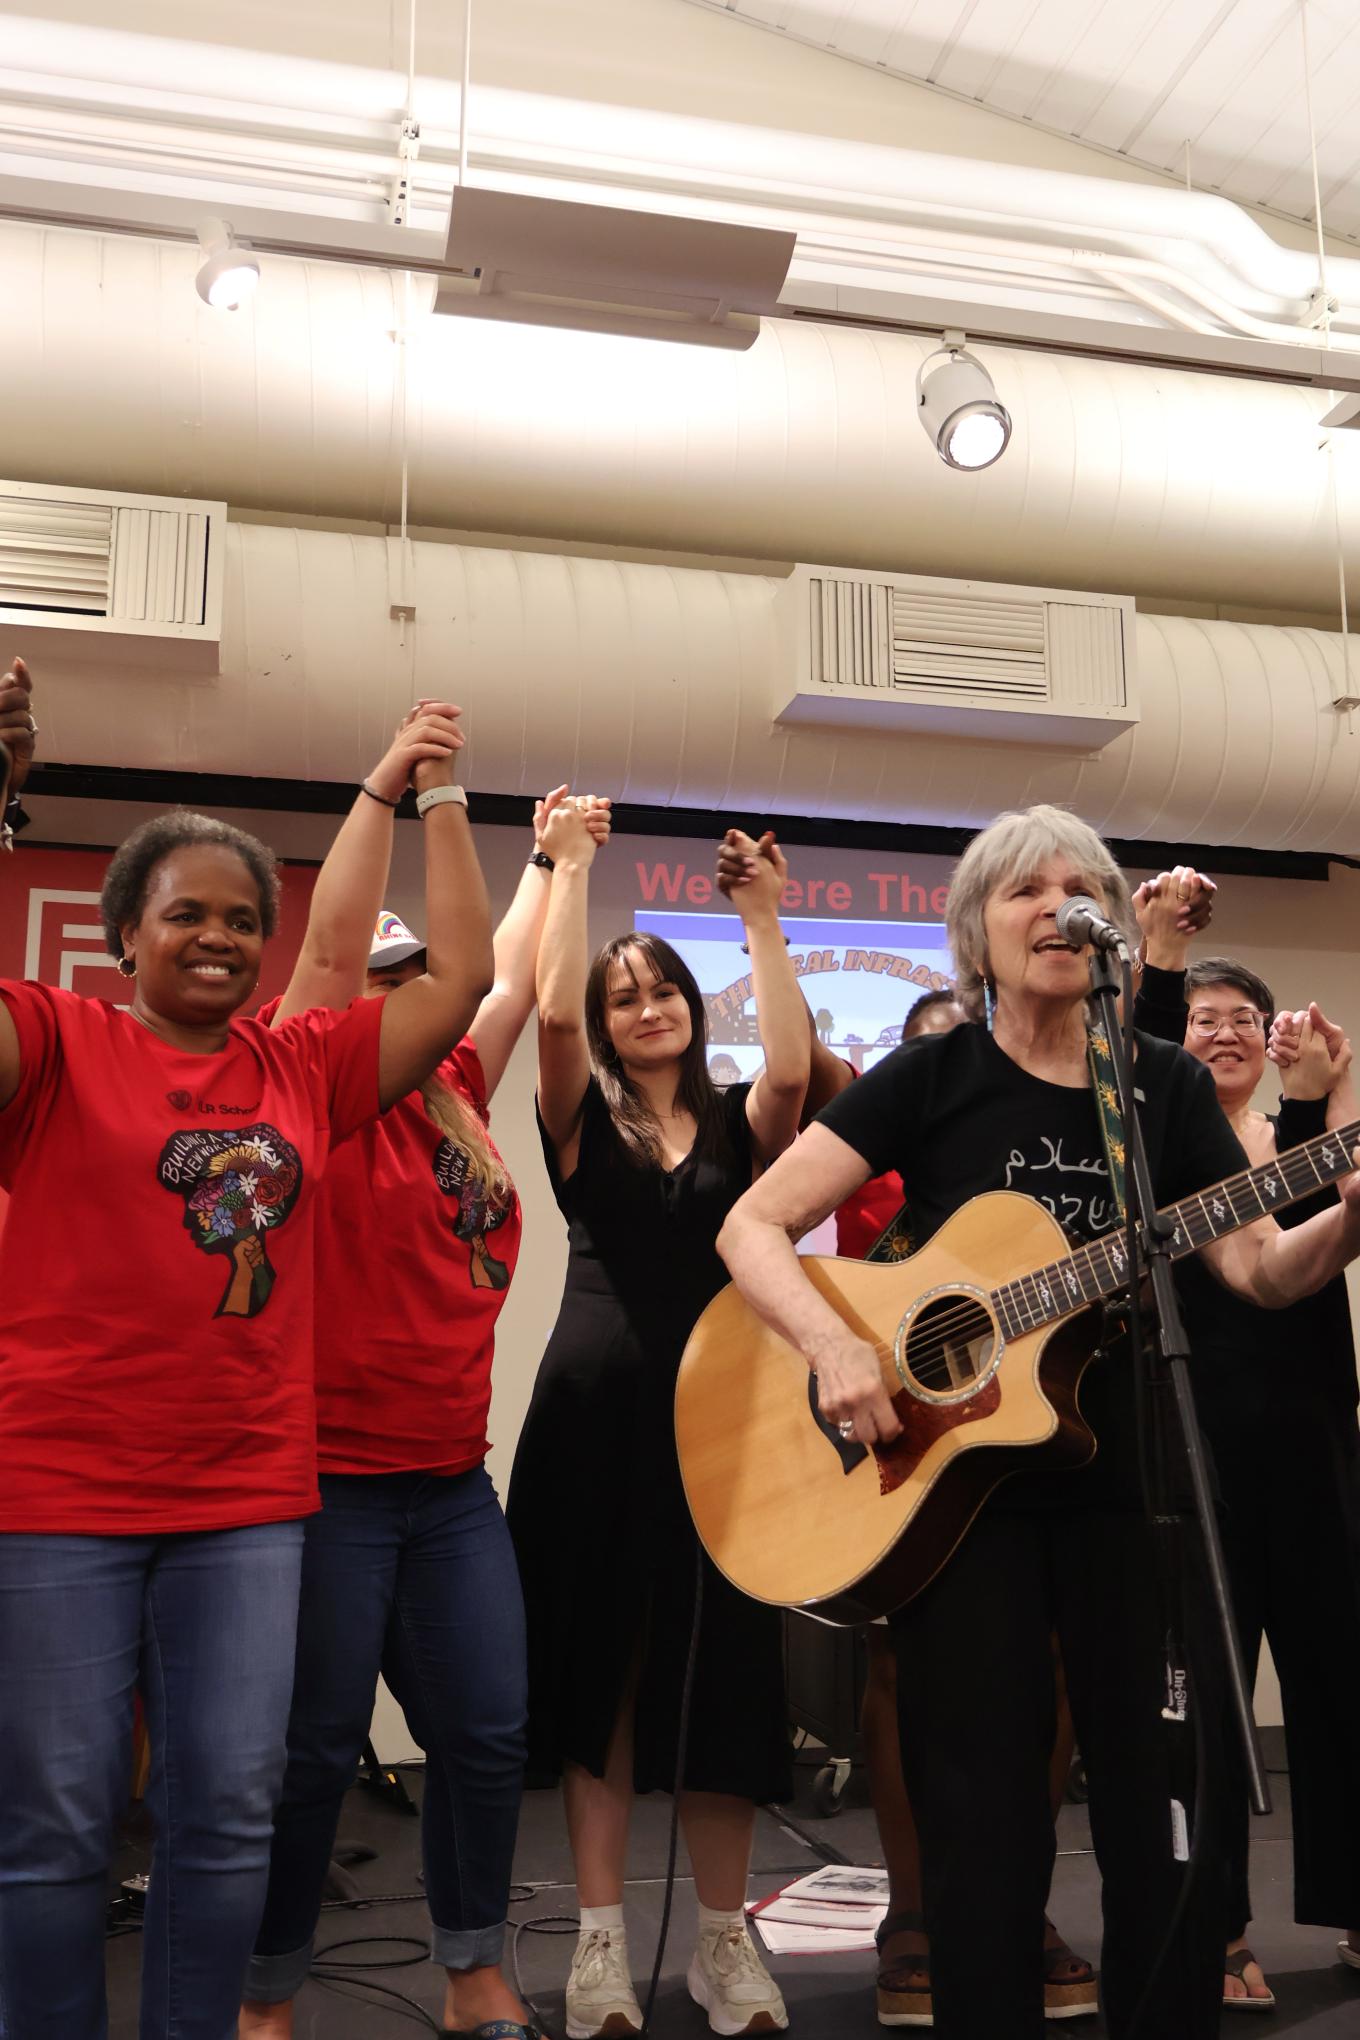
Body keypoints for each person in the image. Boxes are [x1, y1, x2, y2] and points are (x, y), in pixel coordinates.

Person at [714, 802, 1360, 2040]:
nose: (1055, 905)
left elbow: (1258, 1271)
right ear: (976, 929)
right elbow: (750, 1228)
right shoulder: (935, 1076)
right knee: (982, 1819)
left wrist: (1348, 1217)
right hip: (968, 1515)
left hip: (1138, 1491)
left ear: (1109, 928)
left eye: (1079, 887)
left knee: (1158, 1819)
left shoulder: (1157, 1083)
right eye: (1024, 889)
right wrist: (840, 1344)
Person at [0, 662, 495, 2039]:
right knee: (52, 1823)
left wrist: (438, 787)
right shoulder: (51, 1043)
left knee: (228, 1812)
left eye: (239, 920)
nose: (216, 938)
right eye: (184, 916)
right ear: (124, 937)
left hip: (244, 1505)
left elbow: (465, 974)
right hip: (58, 1500)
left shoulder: (300, 1070)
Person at [239, 731, 609, 2038]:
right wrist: (403, 787)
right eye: (382, 985)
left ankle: (473, 1969)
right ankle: (268, 1992)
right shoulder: (306, 1090)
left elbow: (502, 973)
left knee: (486, 1735)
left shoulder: (455, 1085)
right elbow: (329, 956)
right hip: (328, 1484)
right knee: (304, 1759)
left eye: (414, 984)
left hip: (450, 1483)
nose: (400, 1002)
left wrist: (557, 863)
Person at [506, 813, 809, 2040]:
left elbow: (793, 1071)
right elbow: (555, 1021)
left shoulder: (745, 1123)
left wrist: (760, 918)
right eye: (624, 995)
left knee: (724, 1683)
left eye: (662, 990)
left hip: (728, 1434)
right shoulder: (582, 1115)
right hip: (593, 1427)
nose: (643, 1009)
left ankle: (724, 1947)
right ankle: (598, 1947)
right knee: (603, 1683)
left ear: (694, 1004)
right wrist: (570, 870)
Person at [1167, 960, 1360, 2011]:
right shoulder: (1163, 1150)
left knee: (1341, 1681)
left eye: (1245, 1017)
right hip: (1199, 1459)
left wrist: (1332, 1083)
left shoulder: (1301, 1125)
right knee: (1207, 1711)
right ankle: (1218, 1929)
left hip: (1314, 1443)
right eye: (1204, 1021)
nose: (1227, 1034)